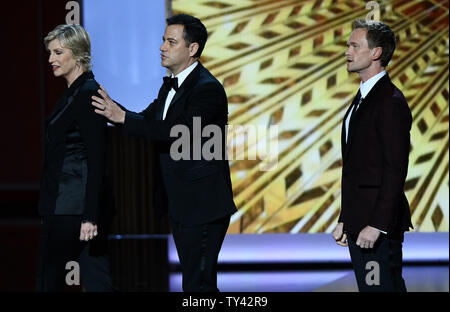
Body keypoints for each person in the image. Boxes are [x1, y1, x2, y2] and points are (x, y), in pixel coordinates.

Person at [92, 14, 237, 292]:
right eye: (163, 40)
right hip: (183, 203)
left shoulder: (208, 89)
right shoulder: (169, 86)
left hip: (203, 205)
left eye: (171, 42)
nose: (162, 47)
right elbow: (147, 120)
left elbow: (177, 131)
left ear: (192, 49)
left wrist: (122, 117)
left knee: (199, 287)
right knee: (194, 285)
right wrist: (112, 110)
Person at [332, 19, 413, 292]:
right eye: (348, 45)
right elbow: (359, 167)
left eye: (355, 45)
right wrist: (347, 218)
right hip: (360, 222)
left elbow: (394, 169)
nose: (347, 51)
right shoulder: (364, 98)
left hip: (376, 228)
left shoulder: (390, 102)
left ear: (376, 53)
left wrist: (376, 224)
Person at [36, 24, 115, 291]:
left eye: (58, 52)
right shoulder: (74, 93)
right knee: (97, 282)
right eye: (50, 53)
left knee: (49, 283)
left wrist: (90, 216)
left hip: (71, 209)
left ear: (78, 54)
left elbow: (97, 158)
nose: (51, 59)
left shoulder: (87, 94)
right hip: (68, 206)